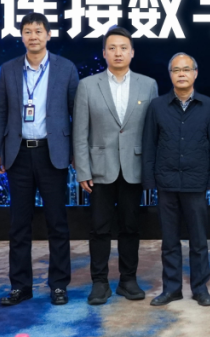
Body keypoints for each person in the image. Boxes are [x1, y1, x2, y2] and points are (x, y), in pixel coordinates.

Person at [0, 13, 80, 306]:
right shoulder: (8, 69)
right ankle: (21, 286)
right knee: (19, 225)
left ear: (48, 35)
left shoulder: (65, 68)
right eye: (28, 31)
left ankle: (59, 285)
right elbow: (0, 112)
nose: (33, 36)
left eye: (38, 31)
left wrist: (76, 154)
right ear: (22, 36)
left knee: (57, 223)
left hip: (52, 153)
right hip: (18, 154)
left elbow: (76, 113)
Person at [73, 26, 158, 305]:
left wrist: (150, 169)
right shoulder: (88, 85)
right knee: (99, 228)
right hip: (99, 169)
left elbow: (153, 132)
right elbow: (80, 132)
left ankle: (127, 280)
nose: (118, 53)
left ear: (132, 52)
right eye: (112, 48)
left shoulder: (148, 85)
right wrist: (82, 170)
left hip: (134, 167)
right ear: (104, 53)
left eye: (123, 48)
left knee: (130, 227)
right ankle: (99, 282)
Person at [142, 53, 210, 308]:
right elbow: (149, 145)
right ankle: (172, 288)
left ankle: (200, 288)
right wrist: (149, 181)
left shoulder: (209, 106)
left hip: (196, 183)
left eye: (186, 69)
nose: (182, 74)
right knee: (169, 241)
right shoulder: (157, 106)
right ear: (170, 75)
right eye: (177, 70)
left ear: (195, 73)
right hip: (166, 182)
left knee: (199, 241)